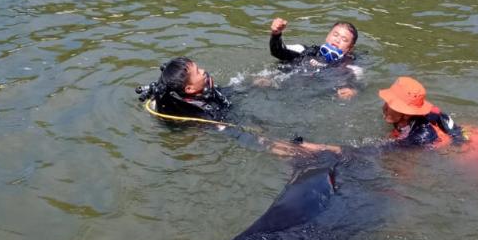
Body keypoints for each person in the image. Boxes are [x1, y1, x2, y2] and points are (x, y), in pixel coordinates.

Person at [136, 56, 340, 157]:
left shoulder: (199, 91)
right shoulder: (198, 112)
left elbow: (224, 92)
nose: (204, 71)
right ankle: (309, 150)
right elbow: (234, 132)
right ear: (188, 89)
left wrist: (252, 83)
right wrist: (269, 143)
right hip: (215, 123)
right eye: (198, 72)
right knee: (263, 138)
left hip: (218, 113)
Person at [268, 18, 361, 100]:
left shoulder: (351, 67)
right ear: (327, 36)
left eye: (344, 40)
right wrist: (276, 35)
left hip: (314, 97)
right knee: (264, 81)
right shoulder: (305, 50)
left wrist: (352, 91)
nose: (337, 40)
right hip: (279, 85)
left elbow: (358, 85)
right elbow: (277, 51)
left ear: (350, 48)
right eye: (335, 35)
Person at [378, 76, 466, 148]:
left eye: (392, 104)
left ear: (407, 114)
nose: (384, 107)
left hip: (465, 148)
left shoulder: (419, 137)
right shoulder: (404, 118)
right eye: (387, 101)